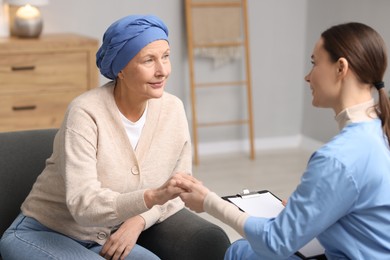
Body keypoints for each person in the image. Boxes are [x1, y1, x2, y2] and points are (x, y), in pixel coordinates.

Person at [175, 22, 390, 259]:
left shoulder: (338, 158)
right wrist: (312, 210)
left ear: (341, 68)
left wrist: (209, 202)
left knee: (240, 252)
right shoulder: (378, 131)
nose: (308, 77)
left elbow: (274, 242)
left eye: (314, 63)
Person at [0, 15, 192, 260]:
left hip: (104, 238)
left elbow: (179, 189)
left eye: (165, 56)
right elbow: (84, 205)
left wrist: (139, 221)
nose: (162, 71)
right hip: (41, 232)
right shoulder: (85, 112)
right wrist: (151, 197)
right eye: (148, 60)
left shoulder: (173, 110)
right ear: (121, 69)